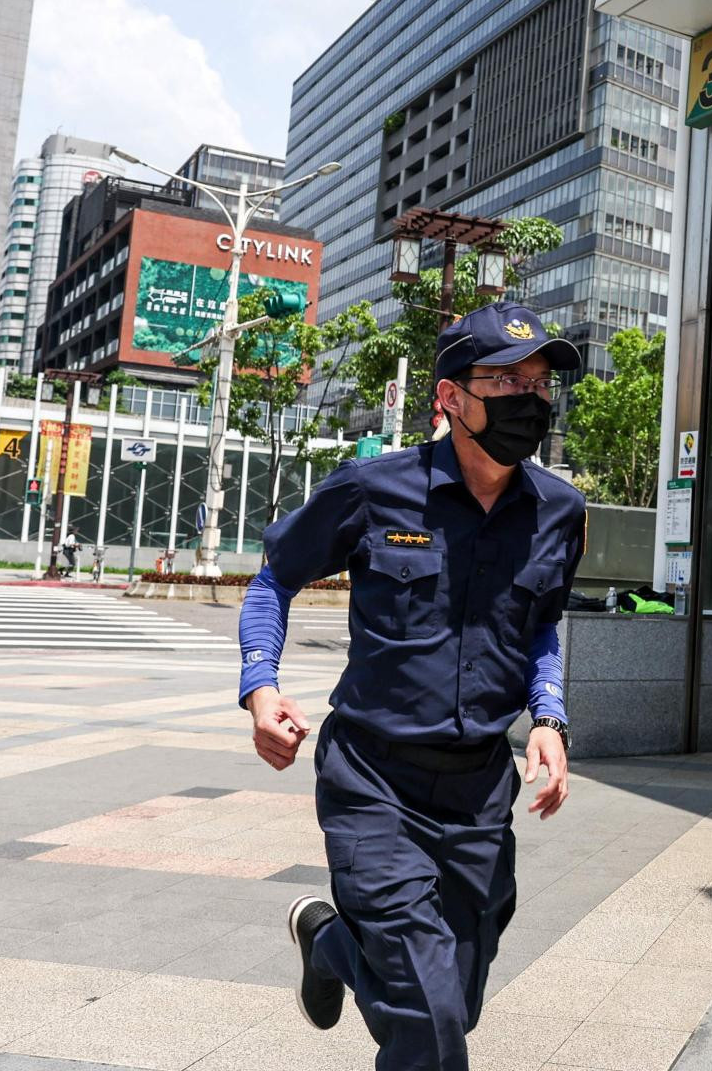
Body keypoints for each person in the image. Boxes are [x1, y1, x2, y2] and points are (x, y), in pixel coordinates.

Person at [237, 301, 585, 1071]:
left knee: (454, 1006)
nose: (530, 398)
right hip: (373, 782)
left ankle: (331, 944)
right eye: (506, 381)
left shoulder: (559, 511)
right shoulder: (373, 490)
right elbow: (274, 580)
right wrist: (261, 687)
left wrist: (549, 717)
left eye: (539, 382)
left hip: (478, 795)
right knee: (429, 1025)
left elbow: (540, 629)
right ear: (451, 397)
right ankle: (350, 947)